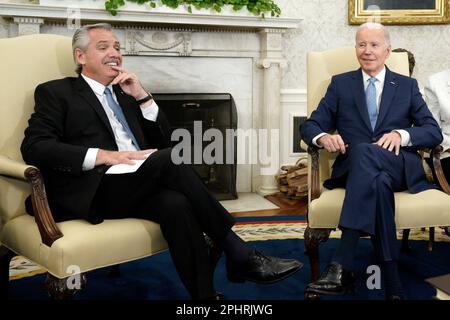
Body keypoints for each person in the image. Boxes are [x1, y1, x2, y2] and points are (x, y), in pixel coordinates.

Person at [20, 23, 302, 300]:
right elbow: (35, 147)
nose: (114, 53)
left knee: (176, 205)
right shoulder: (56, 92)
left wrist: (143, 97)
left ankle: (204, 298)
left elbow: (166, 141)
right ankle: (238, 252)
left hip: (134, 183)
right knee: (169, 160)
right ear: (80, 57)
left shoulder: (126, 93)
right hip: (92, 187)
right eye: (103, 47)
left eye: (117, 47)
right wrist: (105, 155)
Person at [301, 22, 442, 300]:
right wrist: (322, 138)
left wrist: (401, 135)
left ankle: (341, 264)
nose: (367, 51)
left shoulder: (406, 86)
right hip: (358, 170)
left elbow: (432, 131)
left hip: (398, 165)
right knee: (375, 181)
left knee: (364, 151)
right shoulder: (340, 84)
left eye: (374, 45)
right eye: (361, 44)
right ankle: (393, 284)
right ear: (356, 48)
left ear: (387, 50)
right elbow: (310, 125)